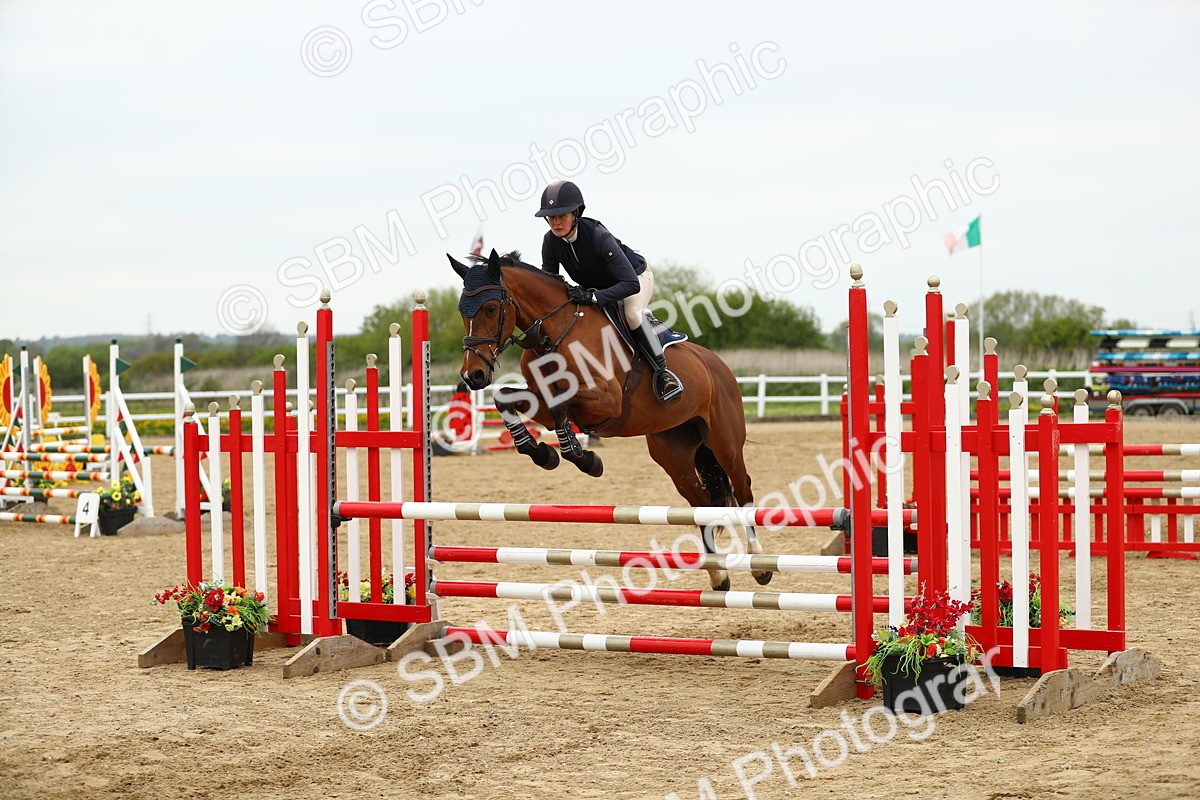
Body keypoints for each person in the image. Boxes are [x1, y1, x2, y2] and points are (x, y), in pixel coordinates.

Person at [535, 180, 683, 402]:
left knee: (632, 314)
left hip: (635, 277)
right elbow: (549, 283)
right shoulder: (550, 242)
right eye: (551, 217)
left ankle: (663, 373)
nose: (555, 222)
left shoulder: (597, 235)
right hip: (599, 287)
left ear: (576, 213)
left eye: (561, 215)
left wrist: (593, 297)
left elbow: (630, 284)